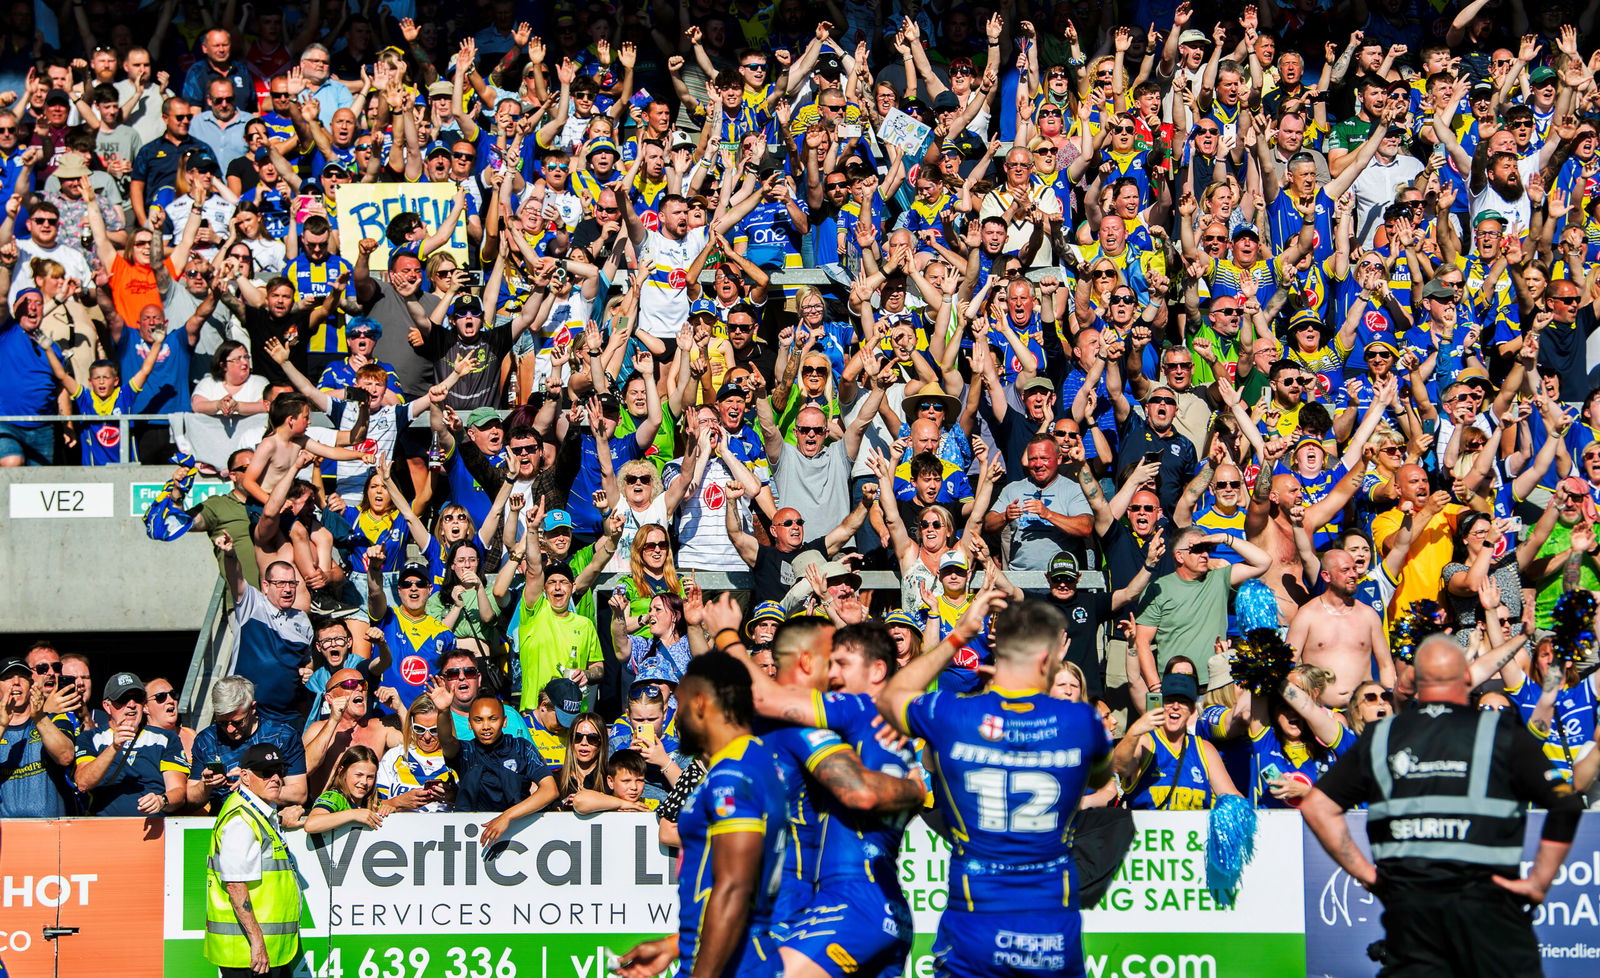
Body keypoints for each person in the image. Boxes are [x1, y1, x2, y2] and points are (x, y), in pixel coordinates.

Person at [1303, 636, 1586, 977]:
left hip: (1413, 917)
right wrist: (1539, 881)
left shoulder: (1381, 737)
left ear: (1418, 683)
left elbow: (1317, 807)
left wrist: (1370, 876)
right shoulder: (1500, 732)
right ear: (1467, 678)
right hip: (1490, 913)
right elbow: (1566, 804)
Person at [878, 595, 1113, 977]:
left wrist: (959, 635)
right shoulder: (1081, 722)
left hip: (974, 928)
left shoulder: (953, 713)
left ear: (997, 648)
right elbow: (1101, 778)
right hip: (1051, 934)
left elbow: (891, 698)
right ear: (1050, 655)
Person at [616, 652, 786, 978]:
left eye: (678, 706)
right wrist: (674, 945)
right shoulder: (729, 766)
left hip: (732, 963)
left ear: (702, 705)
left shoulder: (733, 775)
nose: (674, 719)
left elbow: (735, 889)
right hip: (707, 951)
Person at [203, 743, 301, 978]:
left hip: (263, 949)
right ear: (245, 777)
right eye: (266, 772)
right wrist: (257, 943)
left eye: (280, 771)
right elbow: (236, 886)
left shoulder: (257, 812)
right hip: (249, 953)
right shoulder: (241, 820)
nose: (276, 778)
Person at [72, 672, 186, 817]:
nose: (131, 705)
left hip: (154, 831)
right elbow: (83, 783)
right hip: (105, 831)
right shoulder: (90, 738)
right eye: (123, 699)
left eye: (137, 698)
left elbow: (178, 791)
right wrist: (114, 748)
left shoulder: (166, 738)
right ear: (107, 706)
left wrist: (162, 800)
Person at [188, 676, 308, 812]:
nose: (230, 729)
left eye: (237, 722)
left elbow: (299, 793)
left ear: (253, 708)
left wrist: (253, 788)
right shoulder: (206, 739)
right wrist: (206, 785)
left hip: (269, 822)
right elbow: (191, 799)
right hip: (223, 821)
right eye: (222, 723)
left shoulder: (283, 736)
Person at [0, 656, 78, 817]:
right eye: (8, 677)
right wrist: (1, 726)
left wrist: (39, 718)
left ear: (31, 684)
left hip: (51, 831)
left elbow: (66, 756)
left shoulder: (55, 718)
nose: (16, 681)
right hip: (6, 833)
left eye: (22, 676)